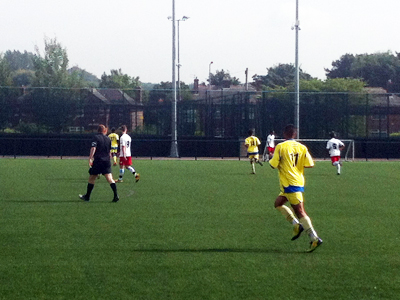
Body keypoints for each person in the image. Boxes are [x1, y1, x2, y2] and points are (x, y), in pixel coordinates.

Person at [269, 124, 322, 252]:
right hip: (294, 182)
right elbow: (310, 164)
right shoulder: (302, 147)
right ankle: (296, 226)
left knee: (300, 212)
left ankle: (314, 238)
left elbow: (273, 164)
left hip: (290, 184)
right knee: (278, 203)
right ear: (295, 134)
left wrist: (281, 161)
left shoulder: (281, 147)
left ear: (284, 134)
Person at [79, 124, 119, 202]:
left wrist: (90, 157)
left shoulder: (95, 137)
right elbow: (109, 152)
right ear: (104, 130)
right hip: (106, 161)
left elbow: (93, 148)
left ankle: (87, 196)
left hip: (98, 161)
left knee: (92, 178)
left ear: (97, 130)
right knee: (110, 179)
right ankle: (115, 195)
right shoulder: (108, 139)